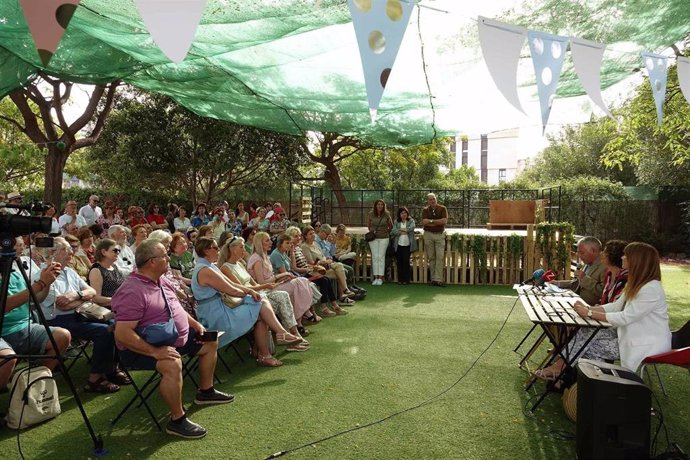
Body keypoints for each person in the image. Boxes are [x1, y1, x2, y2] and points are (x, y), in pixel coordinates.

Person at [112, 239, 233, 439]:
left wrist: (196, 325)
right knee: (172, 363)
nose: (168, 258)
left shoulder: (161, 279)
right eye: (164, 256)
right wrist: (155, 352)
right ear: (152, 262)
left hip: (173, 338)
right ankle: (177, 420)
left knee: (210, 340)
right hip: (142, 348)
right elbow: (122, 334)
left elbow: (174, 308)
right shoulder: (132, 290)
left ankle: (205, 391)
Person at [191, 237, 302, 365]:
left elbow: (233, 285)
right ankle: (279, 337)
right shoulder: (205, 270)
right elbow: (231, 290)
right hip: (215, 317)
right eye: (215, 248)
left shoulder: (209, 266)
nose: (219, 250)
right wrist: (252, 292)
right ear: (206, 250)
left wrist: (252, 292)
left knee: (260, 309)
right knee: (260, 302)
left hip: (220, 308)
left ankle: (266, 352)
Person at [533, 240, 629, 382]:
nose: (578, 254)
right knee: (577, 332)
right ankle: (574, 381)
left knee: (583, 335)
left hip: (620, 333)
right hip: (601, 317)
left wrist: (590, 311)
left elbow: (619, 310)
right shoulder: (610, 275)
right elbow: (611, 304)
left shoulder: (624, 279)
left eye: (581, 252)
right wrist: (590, 309)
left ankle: (561, 368)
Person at [41, 237, 128, 393]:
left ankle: (111, 369)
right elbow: (62, 305)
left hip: (80, 314)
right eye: (66, 249)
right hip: (58, 320)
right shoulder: (43, 274)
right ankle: (95, 379)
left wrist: (75, 296)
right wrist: (81, 299)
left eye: (71, 249)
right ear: (52, 253)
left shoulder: (68, 271)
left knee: (115, 324)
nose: (71, 252)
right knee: (104, 331)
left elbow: (91, 292)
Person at [572, 242, 671, 372]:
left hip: (645, 344)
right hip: (629, 336)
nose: (622, 257)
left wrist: (590, 313)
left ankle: (575, 375)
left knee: (585, 346)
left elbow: (625, 317)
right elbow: (615, 306)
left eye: (626, 255)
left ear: (637, 260)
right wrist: (588, 309)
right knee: (585, 334)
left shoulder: (651, 288)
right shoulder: (636, 282)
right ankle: (595, 381)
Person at [220, 235, 310, 352]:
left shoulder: (240, 264)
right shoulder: (225, 268)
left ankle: (290, 335)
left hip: (255, 294)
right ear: (232, 249)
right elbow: (242, 289)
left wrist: (271, 285)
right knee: (281, 298)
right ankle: (288, 336)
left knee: (282, 295)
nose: (244, 250)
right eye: (241, 247)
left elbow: (254, 285)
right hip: (246, 299)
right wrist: (267, 286)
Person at [1, 261, 70, 391]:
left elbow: (37, 299)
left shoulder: (14, 274)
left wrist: (47, 283)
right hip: (3, 333)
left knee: (62, 336)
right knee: (7, 358)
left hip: (24, 327)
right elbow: (5, 305)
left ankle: (38, 383)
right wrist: (40, 284)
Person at [285, 226, 346, 318]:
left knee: (326, 279)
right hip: (301, 275)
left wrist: (311, 267)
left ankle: (334, 305)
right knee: (324, 280)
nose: (298, 238)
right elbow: (294, 268)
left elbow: (305, 263)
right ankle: (324, 307)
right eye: (295, 236)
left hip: (307, 271)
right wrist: (308, 269)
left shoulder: (298, 248)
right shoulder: (291, 250)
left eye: (299, 236)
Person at [301, 226, 355, 305]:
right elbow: (312, 263)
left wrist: (326, 259)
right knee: (341, 270)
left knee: (341, 268)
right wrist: (325, 261)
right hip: (316, 270)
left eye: (313, 233)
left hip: (326, 265)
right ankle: (343, 294)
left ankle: (343, 294)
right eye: (310, 234)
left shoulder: (315, 244)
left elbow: (324, 255)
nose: (313, 235)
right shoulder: (305, 247)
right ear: (305, 236)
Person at [555, 236, 606, 306]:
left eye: (582, 253)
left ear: (593, 251)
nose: (579, 255)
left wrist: (584, 278)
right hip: (576, 302)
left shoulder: (605, 266)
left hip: (591, 308)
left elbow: (604, 293)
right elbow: (577, 283)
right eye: (578, 252)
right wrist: (557, 283)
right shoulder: (588, 262)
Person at [88, 238, 126, 307]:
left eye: (119, 250)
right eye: (115, 250)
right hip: (108, 309)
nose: (118, 253)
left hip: (121, 304)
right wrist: (116, 300)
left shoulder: (114, 267)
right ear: (103, 252)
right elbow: (96, 298)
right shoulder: (96, 271)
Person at [421, 193, 447, 287]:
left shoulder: (443, 208)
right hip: (428, 235)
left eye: (434, 199)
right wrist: (437, 222)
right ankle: (433, 279)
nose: (432, 201)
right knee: (431, 257)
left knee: (439, 256)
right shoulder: (425, 210)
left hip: (440, 235)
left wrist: (431, 221)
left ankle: (438, 279)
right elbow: (424, 222)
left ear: (436, 199)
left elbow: (444, 221)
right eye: (430, 199)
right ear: (428, 201)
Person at [367, 199, 393, 286]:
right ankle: (376, 277)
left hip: (384, 238)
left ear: (384, 205)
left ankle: (381, 278)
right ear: (375, 205)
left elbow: (391, 226)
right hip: (373, 238)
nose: (380, 206)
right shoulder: (371, 214)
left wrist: (385, 232)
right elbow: (369, 225)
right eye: (378, 204)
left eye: (381, 204)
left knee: (381, 257)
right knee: (375, 257)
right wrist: (372, 232)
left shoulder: (387, 214)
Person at [391, 207, 417, 285]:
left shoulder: (411, 221)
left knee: (406, 262)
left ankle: (406, 279)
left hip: (407, 245)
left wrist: (402, 230)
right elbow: (393, 231)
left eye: (405, 212)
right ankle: (400, 279)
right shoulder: (396, 221)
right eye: (402, 213)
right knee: (399, 262)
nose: (404, 214)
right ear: (399, 214)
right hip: (398, 245)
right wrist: (401, 232)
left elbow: (411, 228)